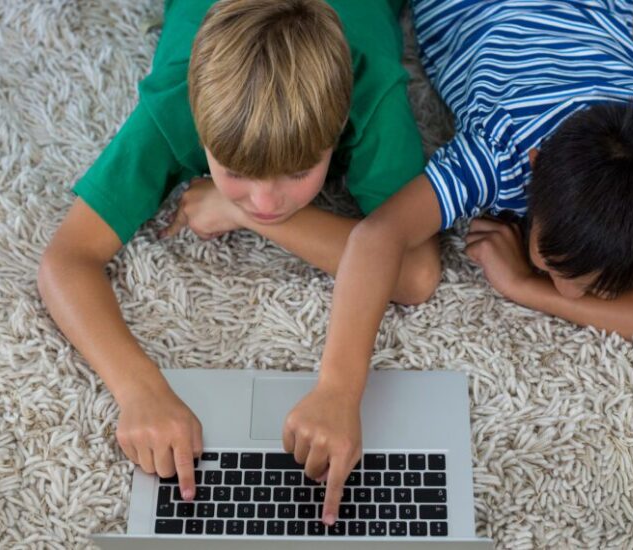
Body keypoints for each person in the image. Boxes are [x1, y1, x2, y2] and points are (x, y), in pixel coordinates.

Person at [282, 0, 633, 524]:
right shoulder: (502, 148)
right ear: (532, 172)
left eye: (599, 287)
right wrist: (337, 391)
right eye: (552, 264)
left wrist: (526, 286)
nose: (570, 294)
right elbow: (378, 237)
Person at [37, 0, 439, 519]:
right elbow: (65, 259)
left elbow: (417, 272)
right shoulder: (176, 104)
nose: (268, 201)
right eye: (237, 174)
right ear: (199, 131)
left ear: (339, 122)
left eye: (298, 171)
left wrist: (239, 211)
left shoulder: (370, 92)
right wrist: (139, 391)